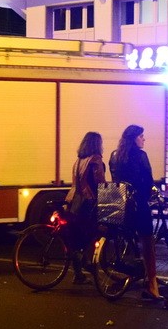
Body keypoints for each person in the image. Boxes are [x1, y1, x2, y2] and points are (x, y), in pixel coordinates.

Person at [109, 125, 160, 300]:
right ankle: (152, 284)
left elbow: (116, 180)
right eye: (141, 136)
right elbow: (148, 181)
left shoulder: (114, 156)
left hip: (120, 204)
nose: (144, 139)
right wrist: (148, 196)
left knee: (126, 237)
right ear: (134, 139)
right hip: (138, 204)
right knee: (148, 242)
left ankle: (128, 274)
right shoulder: (141, 156)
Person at [64, 131, 106, 284]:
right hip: (89, 202)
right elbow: (100, 184)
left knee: (76, 236)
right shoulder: (95, 160)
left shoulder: (79, 161)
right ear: (97, 144)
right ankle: (87, 262)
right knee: (94, 233)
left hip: (74, 202)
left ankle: (78, 274)